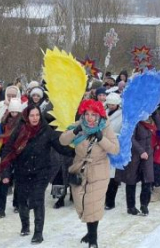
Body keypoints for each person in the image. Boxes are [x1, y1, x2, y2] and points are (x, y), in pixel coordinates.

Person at [0, 105, 72, 244]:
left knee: (38, 199)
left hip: (41, 171)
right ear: (27, 117)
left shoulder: (46, 131)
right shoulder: (19, 131)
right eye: (32, 115)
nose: (35, 118)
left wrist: (75, 151)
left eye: (37, 115)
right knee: (22, 200)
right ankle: (25, 226)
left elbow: (60, 147)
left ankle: (38, 232)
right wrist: (6, 172)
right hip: (22, 171)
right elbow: (8, 151)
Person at [59, 99, 119, 248]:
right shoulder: (78, 125)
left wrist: (101, 139)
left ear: (99, 115)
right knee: (81, 203)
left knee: (93, 204)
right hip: (80, 168)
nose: (90, 118)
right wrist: (75, 131)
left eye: (93, 114)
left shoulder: (105, 128)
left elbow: (115, 149)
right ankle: (89, 231)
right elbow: (62, 141)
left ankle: (93, 239)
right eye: (87, 114)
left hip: (99, 169)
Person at [0, 98, 22, 217]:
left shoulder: (23, 123)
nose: (13, 114)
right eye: (12, 112)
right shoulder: (4, 122)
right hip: (7, 152)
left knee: (19, 180)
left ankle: (19, 204)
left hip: (19, 153)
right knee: (4, 179)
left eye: (16, 112)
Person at [104, 93, 123, 210]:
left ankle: (110, 201)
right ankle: (104, 198)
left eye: (113, 104)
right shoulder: (103, 113)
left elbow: (123, 131)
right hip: (103, 146)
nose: (111, 106)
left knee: (113, 176)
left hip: (115, 145)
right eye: (109, 104)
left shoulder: (121, 115)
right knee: (104, 174)